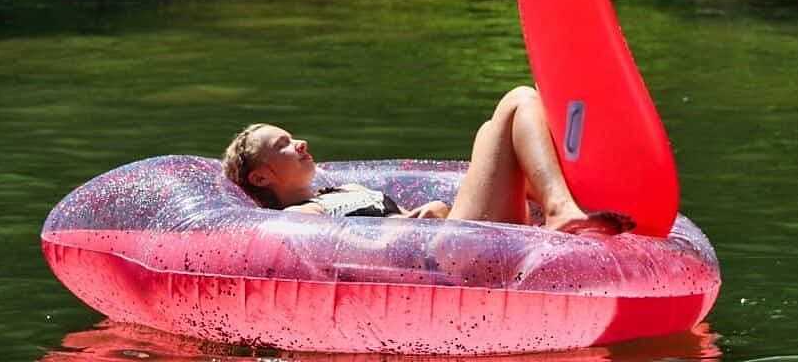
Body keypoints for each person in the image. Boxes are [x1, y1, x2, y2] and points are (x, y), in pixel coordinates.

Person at [222, 86, 634, 234]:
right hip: (450, 260)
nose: (300, 144)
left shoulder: (341, 191)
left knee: (491, 133)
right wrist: (410, 225)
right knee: (518, 100)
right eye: (283, 145)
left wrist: (434, 210)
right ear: (260, 177)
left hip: (454, 238)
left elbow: (403, 220)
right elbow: (354, 254)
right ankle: (561, 210)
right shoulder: (298, 220)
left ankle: (577, 203)